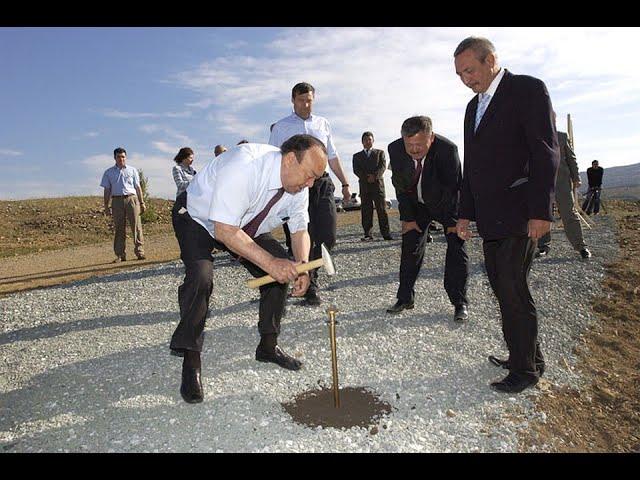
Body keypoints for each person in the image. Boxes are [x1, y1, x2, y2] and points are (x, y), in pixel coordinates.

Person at [170, 135, 328, 404]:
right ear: (290, 159)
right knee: (201, 277)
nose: (311, 184)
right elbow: (224, 230)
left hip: (242, 226)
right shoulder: (245, 166)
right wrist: (272, 264)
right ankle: (191, 360)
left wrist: (301, 266)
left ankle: (268, 345)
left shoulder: (299, 185)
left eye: (315, 178)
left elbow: (300, 227)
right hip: (198, 217)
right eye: (310, 175)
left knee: (281, 269)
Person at [454, 37, 559, 393]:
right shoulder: (472, 108)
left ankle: (525, 371)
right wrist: (465, 213)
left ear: (491, 60)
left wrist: (542, 211)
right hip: (490, 216)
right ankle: (524, 355)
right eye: (460, 74)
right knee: (502, 287)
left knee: (513, 289)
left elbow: (545, 152)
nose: (466, 79)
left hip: (520, 211)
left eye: (470, 70)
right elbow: (472, 166)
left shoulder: (527, 90)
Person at [269, 82, 352, 306]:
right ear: (293, 100)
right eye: (301, 100)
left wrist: (344, 183)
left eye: (309, 100)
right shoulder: (281, 128)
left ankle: (306, 275)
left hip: (321, 182)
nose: (305, 104)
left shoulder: (323, 124)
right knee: (300, 232)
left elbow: (332, 156)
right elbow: (274, 159)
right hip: (295, 185)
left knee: (327, 235)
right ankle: (309, 285)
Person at [386, 116, 469, 323]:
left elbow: (453, 188)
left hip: (444, 203)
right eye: (409, 144)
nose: (414, 150)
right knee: (410, 245)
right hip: (416, 204)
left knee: (457, 247)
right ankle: (405, 297)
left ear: (431, 138)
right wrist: (407, 218)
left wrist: (452, 222)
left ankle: (459, 302)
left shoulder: (448, 150)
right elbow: (400, 186)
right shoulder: (395, 149)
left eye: (419, 144)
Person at [536, 118, 592, 259]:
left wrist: (576, 177)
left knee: (569, 214)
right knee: (543, 214)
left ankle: (581, 246)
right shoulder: (534, 137)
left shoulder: (562, 136)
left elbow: (571, 158)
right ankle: (543, 246)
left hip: (562, 183)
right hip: (542, 183)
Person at [100, 147, 146, 262]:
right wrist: (106, 206)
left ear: (126, 157)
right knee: (119, 228)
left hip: (132, 199)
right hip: (117, 201)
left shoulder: (132, 170)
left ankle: (140, 251)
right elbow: (107, 190)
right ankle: (120, 254)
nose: (121, 159)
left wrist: (142, 202)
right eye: (119, 157)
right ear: (114, 158)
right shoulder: (109, 172)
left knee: (136, 226)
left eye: (123, 157)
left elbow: (138, 187)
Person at [353, 131, 392, 241]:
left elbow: (382, 166)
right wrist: (366, 177)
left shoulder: (380, 153)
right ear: (362, 142)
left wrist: (374, 176)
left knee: (382, 210)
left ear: (373, 141)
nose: (368, 141)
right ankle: (367, 234)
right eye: (365, 140)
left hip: (378, 186)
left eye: (370, 139)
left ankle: (386, 234)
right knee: (366, 210)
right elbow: (356, 170)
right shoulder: (357, 156)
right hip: (364, 187)